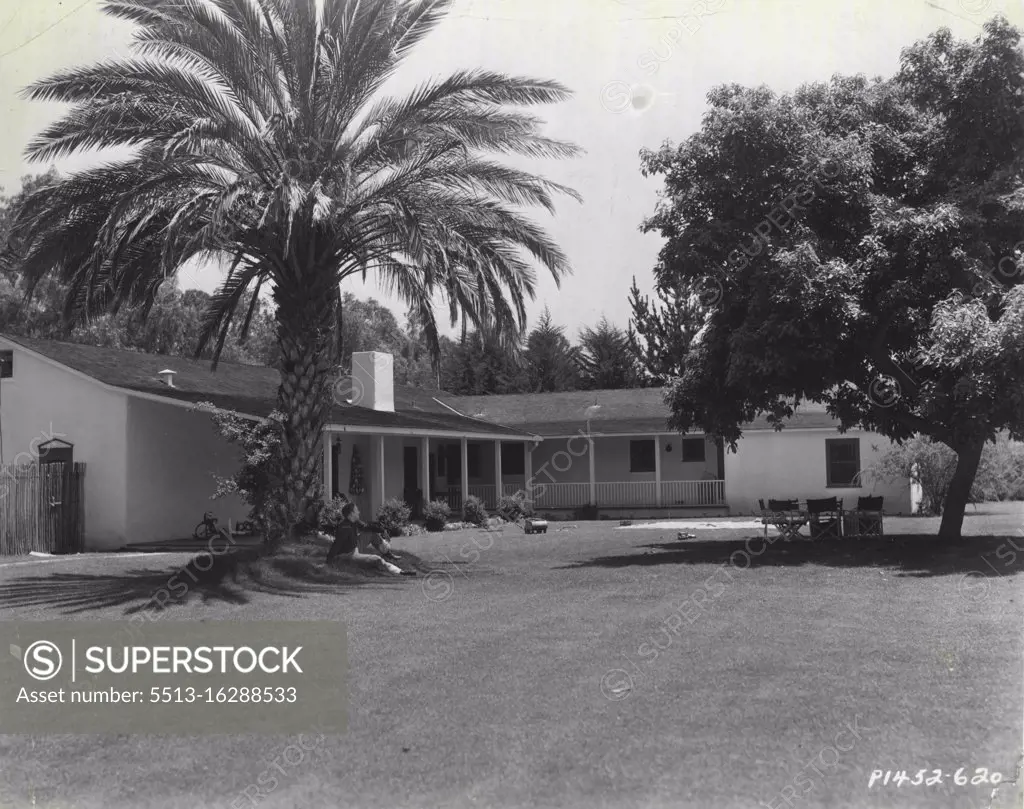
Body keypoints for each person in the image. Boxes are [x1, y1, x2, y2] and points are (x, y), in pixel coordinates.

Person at [325, 503, 415, 576]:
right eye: (356, 511)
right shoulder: (344, 527)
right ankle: (400, 572)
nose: (359, 512)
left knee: (371, 533)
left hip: (354, 546)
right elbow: (336, 545)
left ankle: (387, 554)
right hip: (349, 555)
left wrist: (383, 530)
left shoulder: (354, 521)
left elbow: (367, 526)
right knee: (377, 559)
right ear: (351, 514)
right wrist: (328, 562)